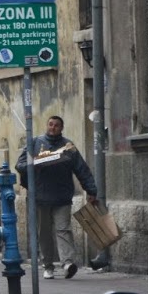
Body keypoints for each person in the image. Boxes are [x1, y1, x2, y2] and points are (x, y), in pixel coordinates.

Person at [17, 115, 99, 279]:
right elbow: (20, 165)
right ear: (47, 126)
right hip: (40, 197)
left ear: (61, 128)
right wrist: (36, 162)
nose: (53, 127)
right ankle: (48, 266)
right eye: (50, 124)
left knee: (64, 230)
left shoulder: (68, 146)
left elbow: (81, 169)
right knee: (44, 233)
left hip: (62, 197)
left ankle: (67, 263)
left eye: (56, 125)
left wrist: (91, 190)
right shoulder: (34, 143)